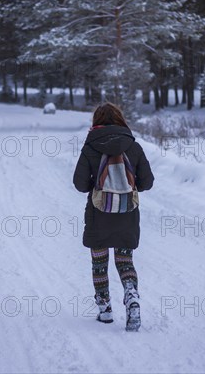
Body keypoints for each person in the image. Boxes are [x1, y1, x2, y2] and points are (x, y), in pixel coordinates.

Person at [73, 102, 154, 331]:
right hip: (127, 214)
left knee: (99, 262)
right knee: (125, 260)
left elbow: (79, 184)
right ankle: (131, 296)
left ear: (96, 121)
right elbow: (147, 182)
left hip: (99, 214)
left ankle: (105, 309)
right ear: (120, 120)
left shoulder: (90, 146)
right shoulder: (133, 146)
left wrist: (97, 185)